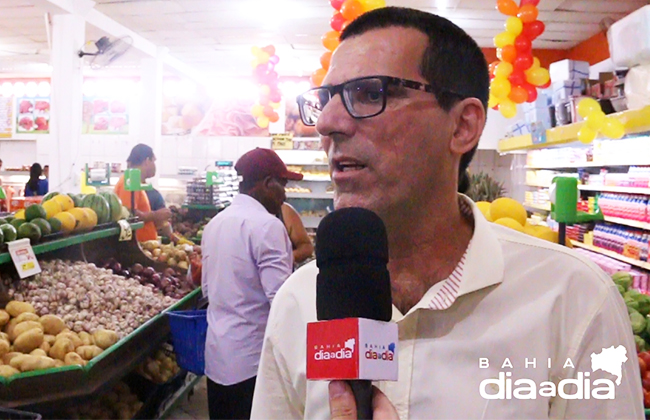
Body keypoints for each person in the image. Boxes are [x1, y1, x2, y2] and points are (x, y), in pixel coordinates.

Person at [251, 7, 642, 420]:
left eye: (369, 93)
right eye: (326, 100)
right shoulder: (299, 302)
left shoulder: (572, 299)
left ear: (462, 126)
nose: (327, 123)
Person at [201, 147, 303, 420]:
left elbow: (207, 290)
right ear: (268, 183)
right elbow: (280, 300)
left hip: (217, 358)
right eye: (283, 185)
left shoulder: (215, 224)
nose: (285, 194)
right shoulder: (267, 226)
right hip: (252, 363)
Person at [114, 144, 170, 242]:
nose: (155, 165)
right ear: (147, 161)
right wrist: (156, 215)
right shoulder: (129, 182)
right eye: (154, 161)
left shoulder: (136, 183)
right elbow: (129, 215)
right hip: (136, 246)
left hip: (144, 245)